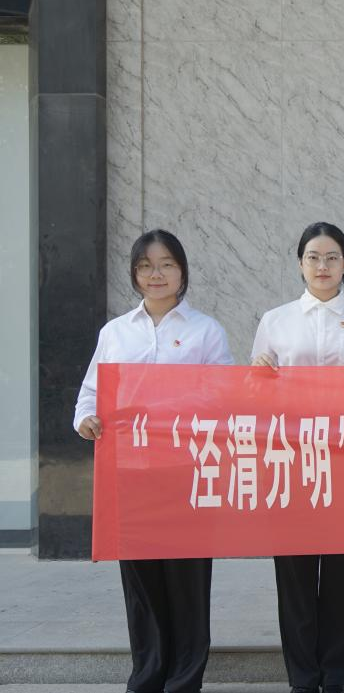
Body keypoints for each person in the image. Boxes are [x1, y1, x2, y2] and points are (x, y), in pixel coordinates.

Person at [74, 229, 233, 693]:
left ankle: (184, 679)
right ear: (134, 274)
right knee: (141, 582)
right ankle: (147, 675)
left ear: (182, 271)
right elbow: (90, 393)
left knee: (187, 579)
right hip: (131, 473)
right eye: (145, 266)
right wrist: (86, 419)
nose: (156, 274)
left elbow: (222, 394)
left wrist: (172, 406)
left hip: (186, 472)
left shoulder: (205, 330)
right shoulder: (116, 332)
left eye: (166, 265)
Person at [251, 221, 344, 693]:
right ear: (300, 264)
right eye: (313, 257)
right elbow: (257, 395)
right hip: (292, 462)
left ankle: (336, 676)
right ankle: (303, 677)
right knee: (295, 573)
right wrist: (258, 378)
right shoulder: (276, 321)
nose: (322, 266)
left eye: (332, 257)